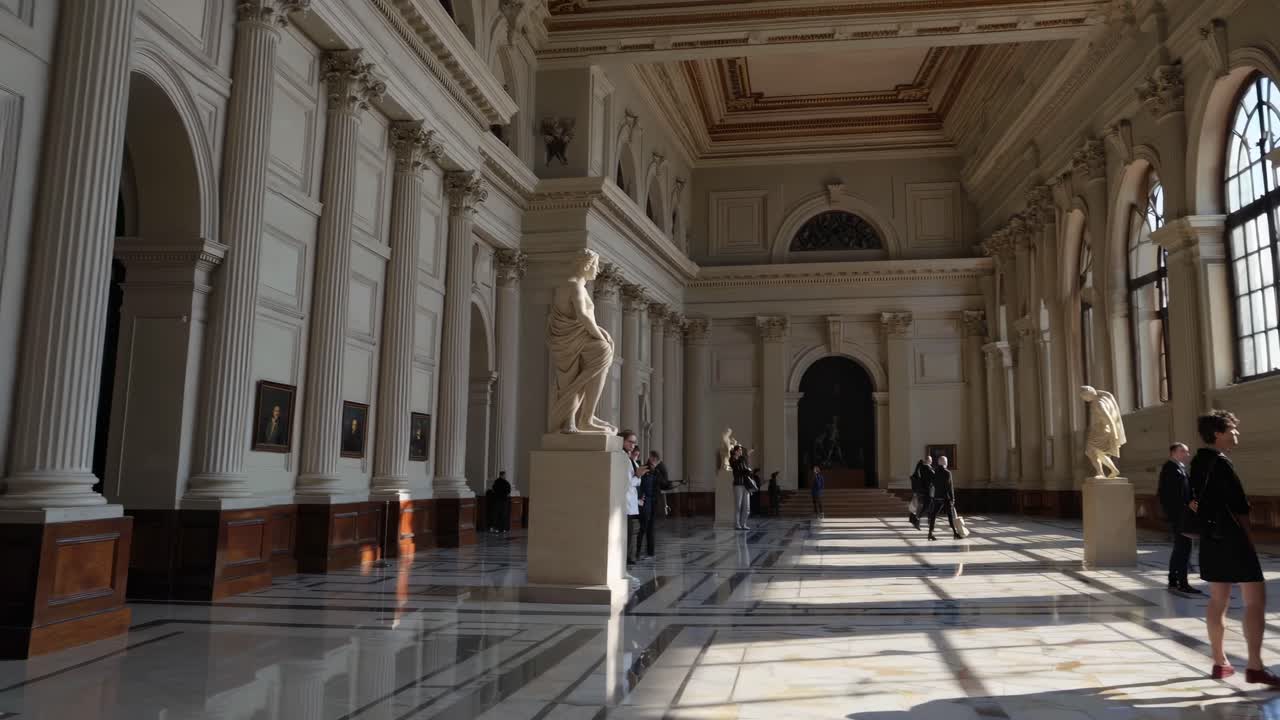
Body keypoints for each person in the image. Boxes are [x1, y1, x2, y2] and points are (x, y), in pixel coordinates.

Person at [1191, 410, 1279, 685]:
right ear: (1218, 433)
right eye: (1232, 429)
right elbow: (1239, 506)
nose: (1237, 434)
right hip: (1232, 537)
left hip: (1210, 538)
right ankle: (1255, 666)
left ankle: (1220, 662)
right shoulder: (1221, 463)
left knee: (1218, 599)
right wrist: (1249, 538)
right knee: (1255, 599)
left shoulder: (1197, 463)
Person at [1158, 443, 1199, 593]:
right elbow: (1168, 495)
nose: (1187, 454)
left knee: (1181, 548)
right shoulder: (1170, 469)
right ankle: (1182, 582)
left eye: (1187, 452)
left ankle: (1174, 580)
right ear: (1173, 453)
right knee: (1183, 549)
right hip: (1179, 516)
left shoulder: (1179, 467)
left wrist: (1192, 501)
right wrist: (1186, 505)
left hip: (1183, 515)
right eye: (1183, 451)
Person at [619, 430, 644, 581]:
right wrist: (638, 475)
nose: (633, 445)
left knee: (628, 535)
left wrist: (637, 476)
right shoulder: (622, 457)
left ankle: (625, 567)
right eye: (630, 441)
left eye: (634, 442)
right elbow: (627, 483)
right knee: (625, 537)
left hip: (629, 503)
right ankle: (623, 569)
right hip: (623, 503)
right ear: (622, 440)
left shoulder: (627, 457)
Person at [636, 450, 665, 559]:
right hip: (645, 501)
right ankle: (637, 553)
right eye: (653, 458)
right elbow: (638, 484)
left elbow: (663, 484)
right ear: (650, 458)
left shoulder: (657, 471)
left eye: (657, 460)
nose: (654, 461)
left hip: (653, 501)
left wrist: (659, 468)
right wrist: (639, 497)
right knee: (643, 527)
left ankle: (650, 552)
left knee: (651, 528)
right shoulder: (643, 468)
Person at [927, 456, 960, 541]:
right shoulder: (947, 473)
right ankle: (955, 533)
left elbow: (932, 484)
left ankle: (930, 533)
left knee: (933, 515)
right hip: (946, 497)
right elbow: (950, 487)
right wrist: (953, 499)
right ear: (945, 462)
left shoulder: (934, 472)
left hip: (937, 497)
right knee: (950, 516)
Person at [730, 446, 752, 530]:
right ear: (735, 451)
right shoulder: (732, 459)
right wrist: (743, 458)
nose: (741, 451)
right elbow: (735, 467)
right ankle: (737, 524)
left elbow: (745, 468)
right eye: (739, 450)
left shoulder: (743, 459)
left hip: (745, 485)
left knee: (747, 507)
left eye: (741, 450)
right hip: (738, 484)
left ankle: (744, 524)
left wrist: (748, 470)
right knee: (738, 506)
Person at [909, 455, 934, 530]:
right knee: (927, 506)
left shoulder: (921, 467)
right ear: (928, 461)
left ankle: (927, 522)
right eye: (931, 460)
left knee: (928, 506)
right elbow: (934, 477)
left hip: (922, 490)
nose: (931, 461)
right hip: (927, 491)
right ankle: (917, 519)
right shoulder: (927, 468)